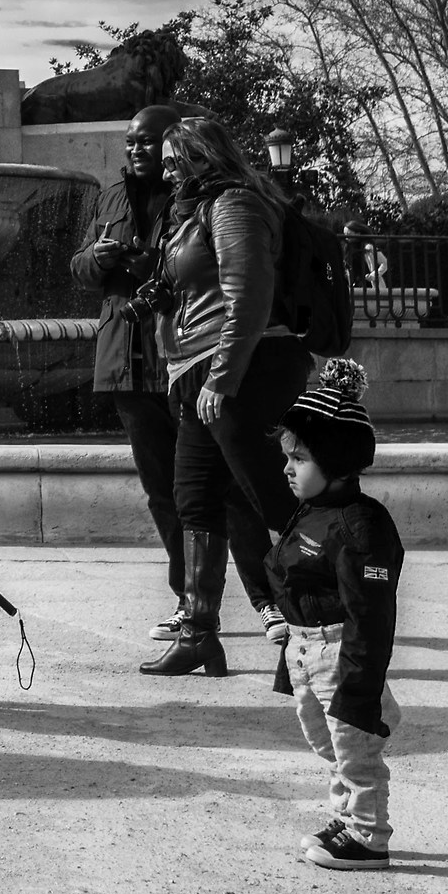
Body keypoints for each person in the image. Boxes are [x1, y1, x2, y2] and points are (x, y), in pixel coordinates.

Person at [72, 105, 272, 642]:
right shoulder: (110, 198)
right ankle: (190, 602)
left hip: (186, 360)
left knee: (224, 488)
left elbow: (228, 286)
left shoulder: (207, 202)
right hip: (127, 361)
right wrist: (97, 257)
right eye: (133, 143)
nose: (143, 154)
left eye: (152, 145)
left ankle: (266, 595)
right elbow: (80, 268)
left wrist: (151, 270)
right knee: (170, 492)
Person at [140, 116, 312, 677]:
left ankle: (314, 627)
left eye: (174, 159)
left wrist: (222, 377)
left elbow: (249, 296)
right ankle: (198, 635)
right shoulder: (191, 214)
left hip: (245, 367)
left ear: (202, 157)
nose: (167, 170)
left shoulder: (236, 204)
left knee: (271, 498)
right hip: (197, 370)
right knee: (194, 498)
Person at [267, 358, 402, 871]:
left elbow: (371, 617)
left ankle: (368, 837)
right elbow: (286, 568)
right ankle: (345, 820)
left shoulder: (361, 527)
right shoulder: (313, 509)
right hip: (306, 650)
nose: (286, 468)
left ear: (336, 461)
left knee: (355, 748)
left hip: (339, 652)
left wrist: (359, 688)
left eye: (298, 458)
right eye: (287, 456)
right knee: (328, 745)